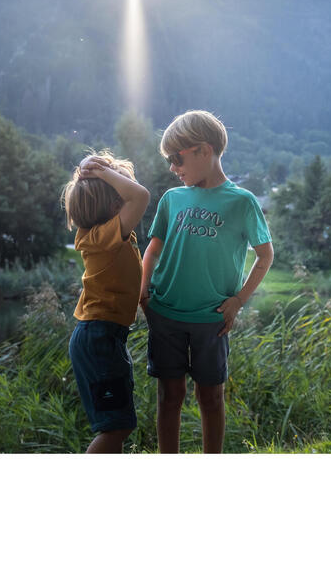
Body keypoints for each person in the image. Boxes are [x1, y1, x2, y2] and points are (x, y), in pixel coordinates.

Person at [140, 110, 274, 453]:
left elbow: (265, 255)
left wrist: (238, 301)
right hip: (166, 314)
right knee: (170, 395)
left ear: (203, 150)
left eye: (176, 158)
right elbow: (152, 250)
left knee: (210, 396)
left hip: (211, 319)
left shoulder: (242, 202)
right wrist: (143, 292)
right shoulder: (173, 199)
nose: (172, 167)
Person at [61, 150, 150, 453]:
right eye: (121, 200)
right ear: (115, 206)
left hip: (101, 337)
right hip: (100, 338)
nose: (128, 204)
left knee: (117, 424)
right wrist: (101, 172)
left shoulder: (103, 238)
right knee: (116, 426)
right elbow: (140, 197)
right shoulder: (105, 237)